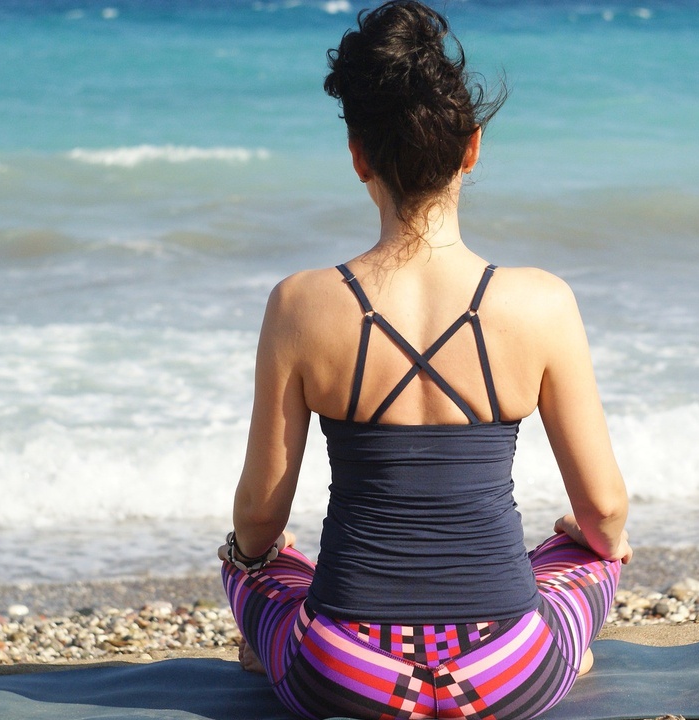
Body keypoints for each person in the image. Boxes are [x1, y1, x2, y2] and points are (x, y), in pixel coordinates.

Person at [220, 2, 631, 718]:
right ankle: (565, 649)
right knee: (591, 558)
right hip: (504, 673)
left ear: (359, 158)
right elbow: (604, 510)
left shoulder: (299, 305)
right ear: (472, 148)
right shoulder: (542, 303)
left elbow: (259, 519)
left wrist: (255, 557)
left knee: (251, 566)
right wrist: (590, 542)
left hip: (346, 675)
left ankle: (273, 646)